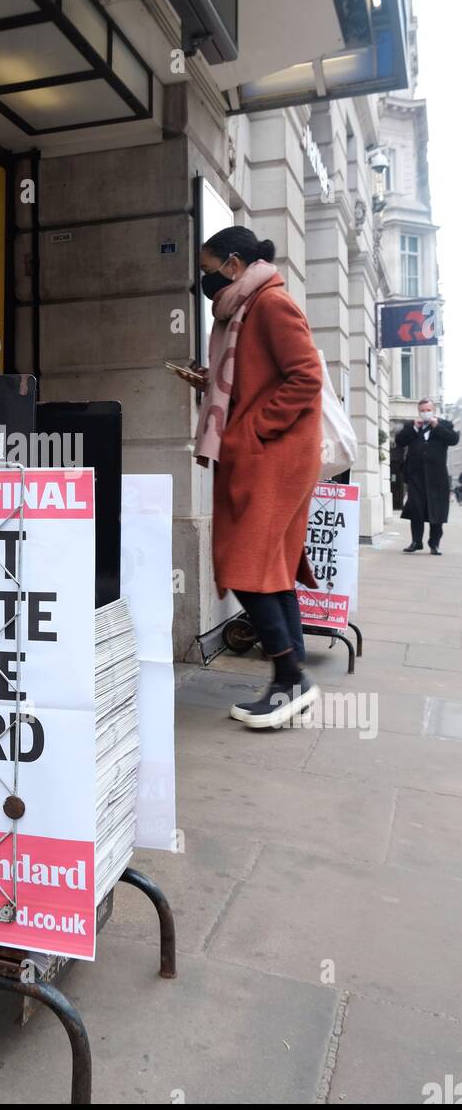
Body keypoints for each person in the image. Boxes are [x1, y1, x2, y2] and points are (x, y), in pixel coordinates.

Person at [177, 226, 323, 731]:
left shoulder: (270, 304)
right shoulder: (242, 311)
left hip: (274, 454)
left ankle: (290, 675)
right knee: (270, 567)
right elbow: (258, 378)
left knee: (244, 564)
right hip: (265, 452)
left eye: (208, 268)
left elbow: (307, 375)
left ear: (233, 264)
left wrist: (255, 428)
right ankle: (291, 679)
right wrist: (212, 384)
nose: (205, 279)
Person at [395, 400, 459, 554]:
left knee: (436, 511)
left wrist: (438, 426)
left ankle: (434, 544)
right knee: (416, 510)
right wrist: (414, 428)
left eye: (428, 409)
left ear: (434, 410)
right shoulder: (411, 426)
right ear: (418, 411)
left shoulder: (445, 425)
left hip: (437, 478)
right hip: (416, 477)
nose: (425, 412)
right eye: (422, 410)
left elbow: (453, 440)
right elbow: (399, 441)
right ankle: (416, 542)